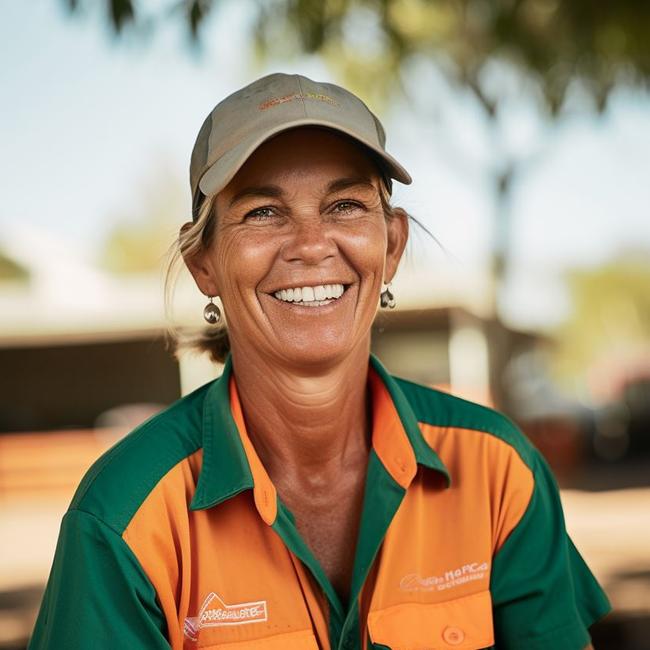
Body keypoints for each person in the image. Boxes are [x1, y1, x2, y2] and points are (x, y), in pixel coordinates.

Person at [29, 72, 610, 650]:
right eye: (262, 212)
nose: (310, 244)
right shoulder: (126, 512)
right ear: (202, 261)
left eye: (345, 205)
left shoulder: (495, 471)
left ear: (392, 245)